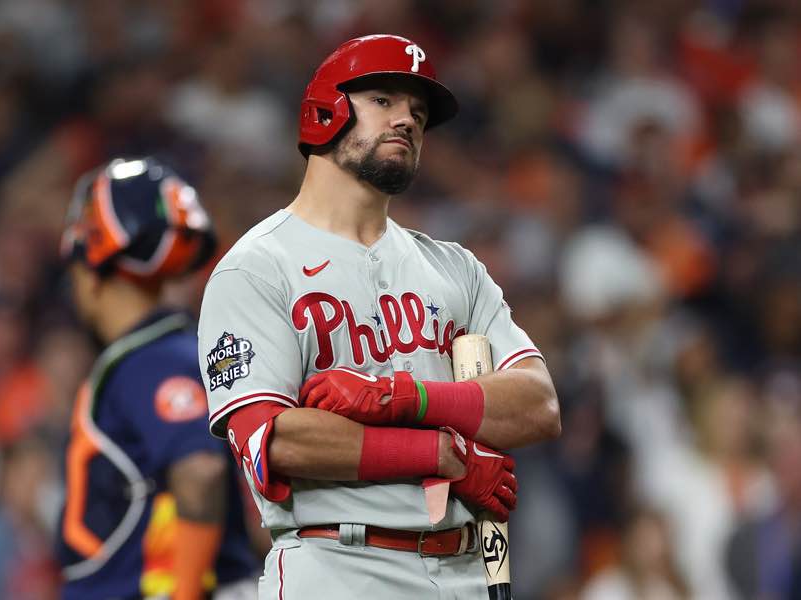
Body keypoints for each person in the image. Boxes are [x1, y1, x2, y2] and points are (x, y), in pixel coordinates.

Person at [198, 34, 561, 599]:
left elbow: (539, 403)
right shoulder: (255, 268)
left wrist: (404, 397)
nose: (409, 121)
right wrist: (444, 456)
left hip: (466, 567)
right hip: (338, 564)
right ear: (325, 111)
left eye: (417, 112)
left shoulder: (455, 267)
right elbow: (274, 440)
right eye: (384, 100)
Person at [56, 157, 260, 600]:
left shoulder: (152, 358)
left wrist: (184, 592)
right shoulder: (179, 349)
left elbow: (200, 471)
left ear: (88, 273)